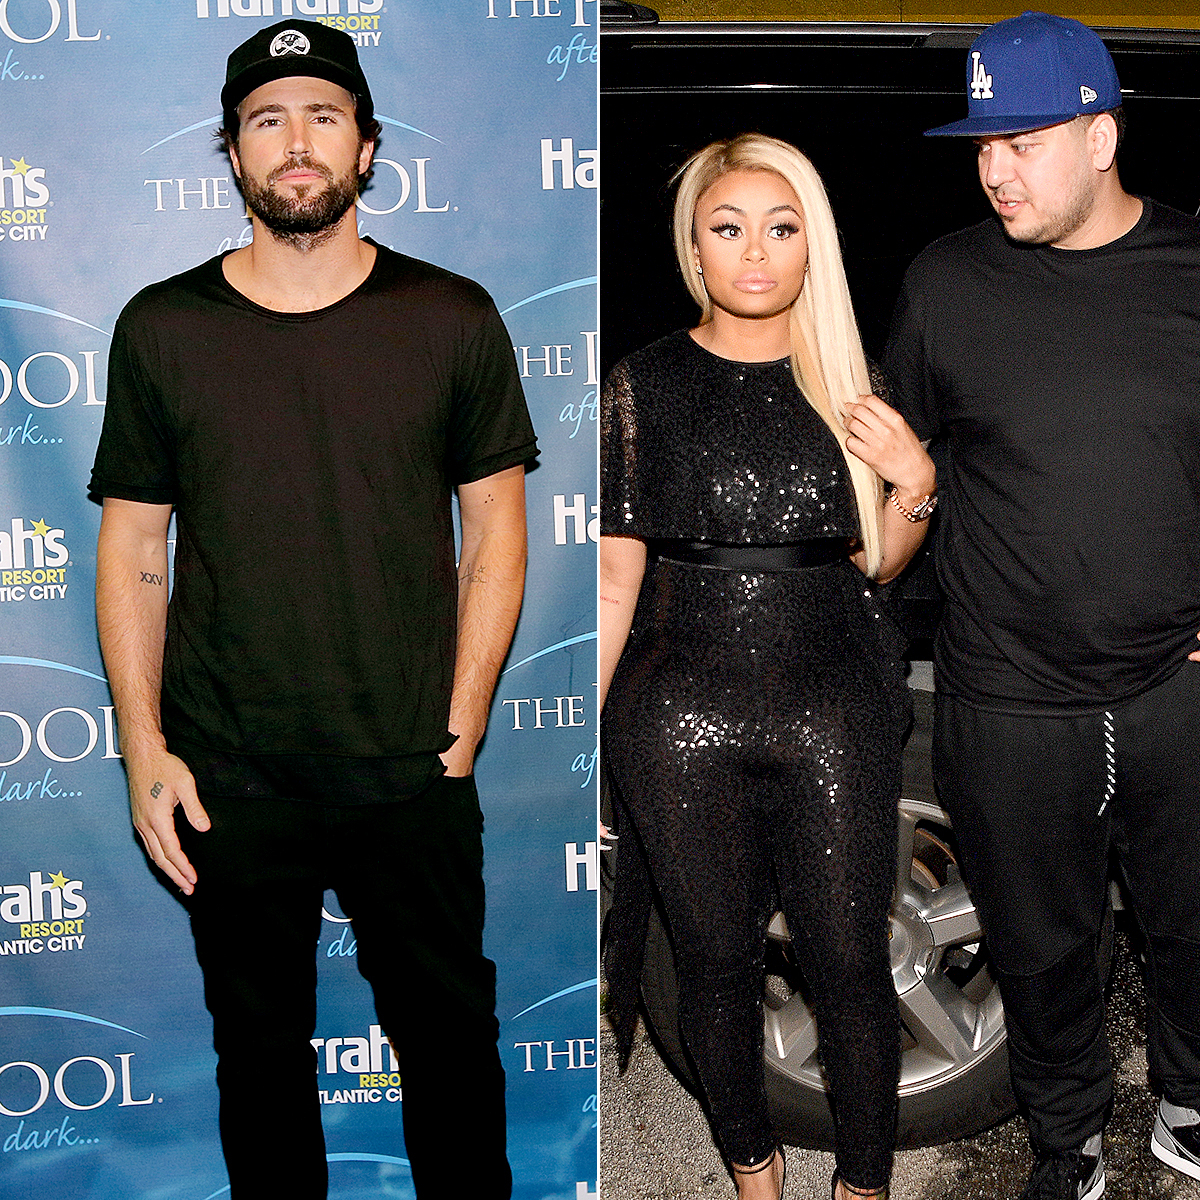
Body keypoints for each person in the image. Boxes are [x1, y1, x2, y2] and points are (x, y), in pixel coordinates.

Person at [90, 20, 536, 1199]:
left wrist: (463, 724)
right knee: (259, 1067)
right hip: (229, 773)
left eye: (323, 115)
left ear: (369, 144)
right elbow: (134, 545)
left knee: (450, 1054)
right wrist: (145, 748)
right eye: (267, 119)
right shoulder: (163, 327)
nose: (297, 143)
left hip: (411, 767)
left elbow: (496, 530)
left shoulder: (452, 316)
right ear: (231, 154)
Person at [883, 12, 1200, 1200]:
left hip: (1179, 683)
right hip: (1007, 694)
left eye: (1021, 138)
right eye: (981, 144)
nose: (994, 167)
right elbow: (907, 468)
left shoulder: (1190, 269)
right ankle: (1064, 1147)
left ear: (1102, 136)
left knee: (1194, 928)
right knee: (1041, 947)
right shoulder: (945, 282)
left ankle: (1190, 1109)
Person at [599, 133, 936, 1200]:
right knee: (711, 964)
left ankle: (865, 1185)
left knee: (848, 962)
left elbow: (876, 562)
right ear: (695, 249)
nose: (755, 252)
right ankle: (754, 1168)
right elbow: (616, 579)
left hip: (833, 708)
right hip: (675, 718)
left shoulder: (851, 381)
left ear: (811, 249)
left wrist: (914, 482)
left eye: (781, 228)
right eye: (728, 228)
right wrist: (580, 742)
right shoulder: (644, 383)